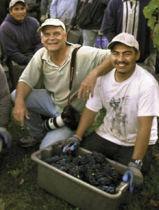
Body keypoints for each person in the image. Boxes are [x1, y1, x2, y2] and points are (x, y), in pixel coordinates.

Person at [63, 33, 159, 189]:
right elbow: (90, 111)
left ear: (137, 56)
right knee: (80, 159)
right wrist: (77, 136)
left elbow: (145, 126)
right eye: (116, 53)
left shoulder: (147, 84)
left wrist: (136, 163)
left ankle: (137, 161)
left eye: (127, 53)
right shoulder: (103, 79)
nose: (121, 59)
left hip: (134, 141)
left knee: (131, 178)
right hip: (108, 134)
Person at [12, 18, 112, 149]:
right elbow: (25, 80)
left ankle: (79, 130)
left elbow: (113, 56)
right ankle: (37, 133)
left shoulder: (82, 53)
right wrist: (19, 103)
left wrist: (94, 73)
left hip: (75, 113)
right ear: (42, 39)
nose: (51, 38)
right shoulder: (41, 54)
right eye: (47, 34)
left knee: (45, 149)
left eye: (56, 34)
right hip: (53, 103)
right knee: (16, 95)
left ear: (65, 36)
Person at [0, 0, 43, 66]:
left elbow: (39, 42)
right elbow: (12, 52)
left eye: (22, 8)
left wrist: (36, 58)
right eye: (16, 9)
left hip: (35, 56)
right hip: (16, 61)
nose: (20, 12)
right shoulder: (5, 28)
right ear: (10, 11)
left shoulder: (34, 22)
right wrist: (30, 63)